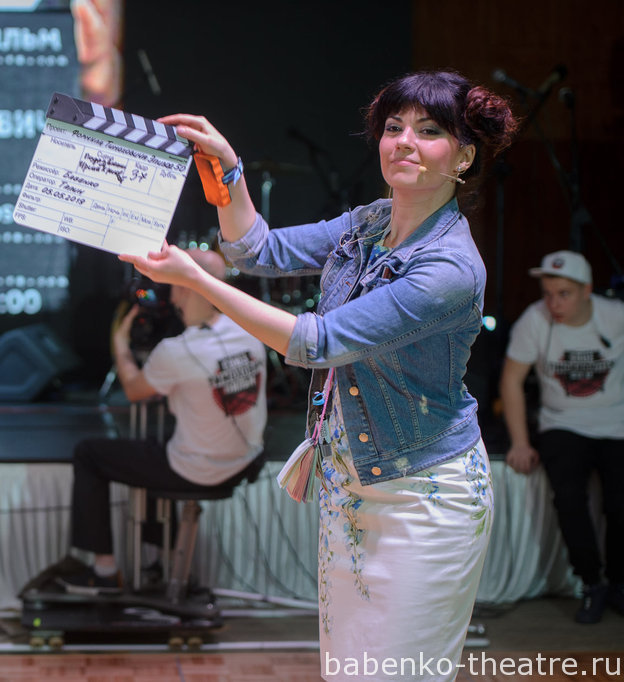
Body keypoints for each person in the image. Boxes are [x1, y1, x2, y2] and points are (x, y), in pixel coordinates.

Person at [120, 71, 517, 680]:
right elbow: (256, 250)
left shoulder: (450, 267)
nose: (404, 142)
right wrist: (229, 170)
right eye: (394, 127)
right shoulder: (370, 222)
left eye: (429, 131)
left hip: (423, 497)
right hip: (348, 485)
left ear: (464, 156)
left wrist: (198, 280)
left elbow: (318, 342)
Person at [37, 248, 267, 595]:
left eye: (172, 283)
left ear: (184, 287)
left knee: (89, 454)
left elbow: (134, 389)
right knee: (158, 451)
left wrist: (120, 344)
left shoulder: (176, 351)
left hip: (199, 470)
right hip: (247, 460)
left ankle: (104, 571)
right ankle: (163, 559)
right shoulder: (252, 330)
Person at [500, 250, 624, 624]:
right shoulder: (534, 320)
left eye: (564, 294)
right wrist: (520, 443)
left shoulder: (615, 316)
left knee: (619, 503)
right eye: (548, 294)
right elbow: (511, 381)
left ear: (586, 291)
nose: (554, 303)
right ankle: (591, 583)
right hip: (562, 423)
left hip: (617, 423)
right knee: (569, 499)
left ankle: (619, 583)